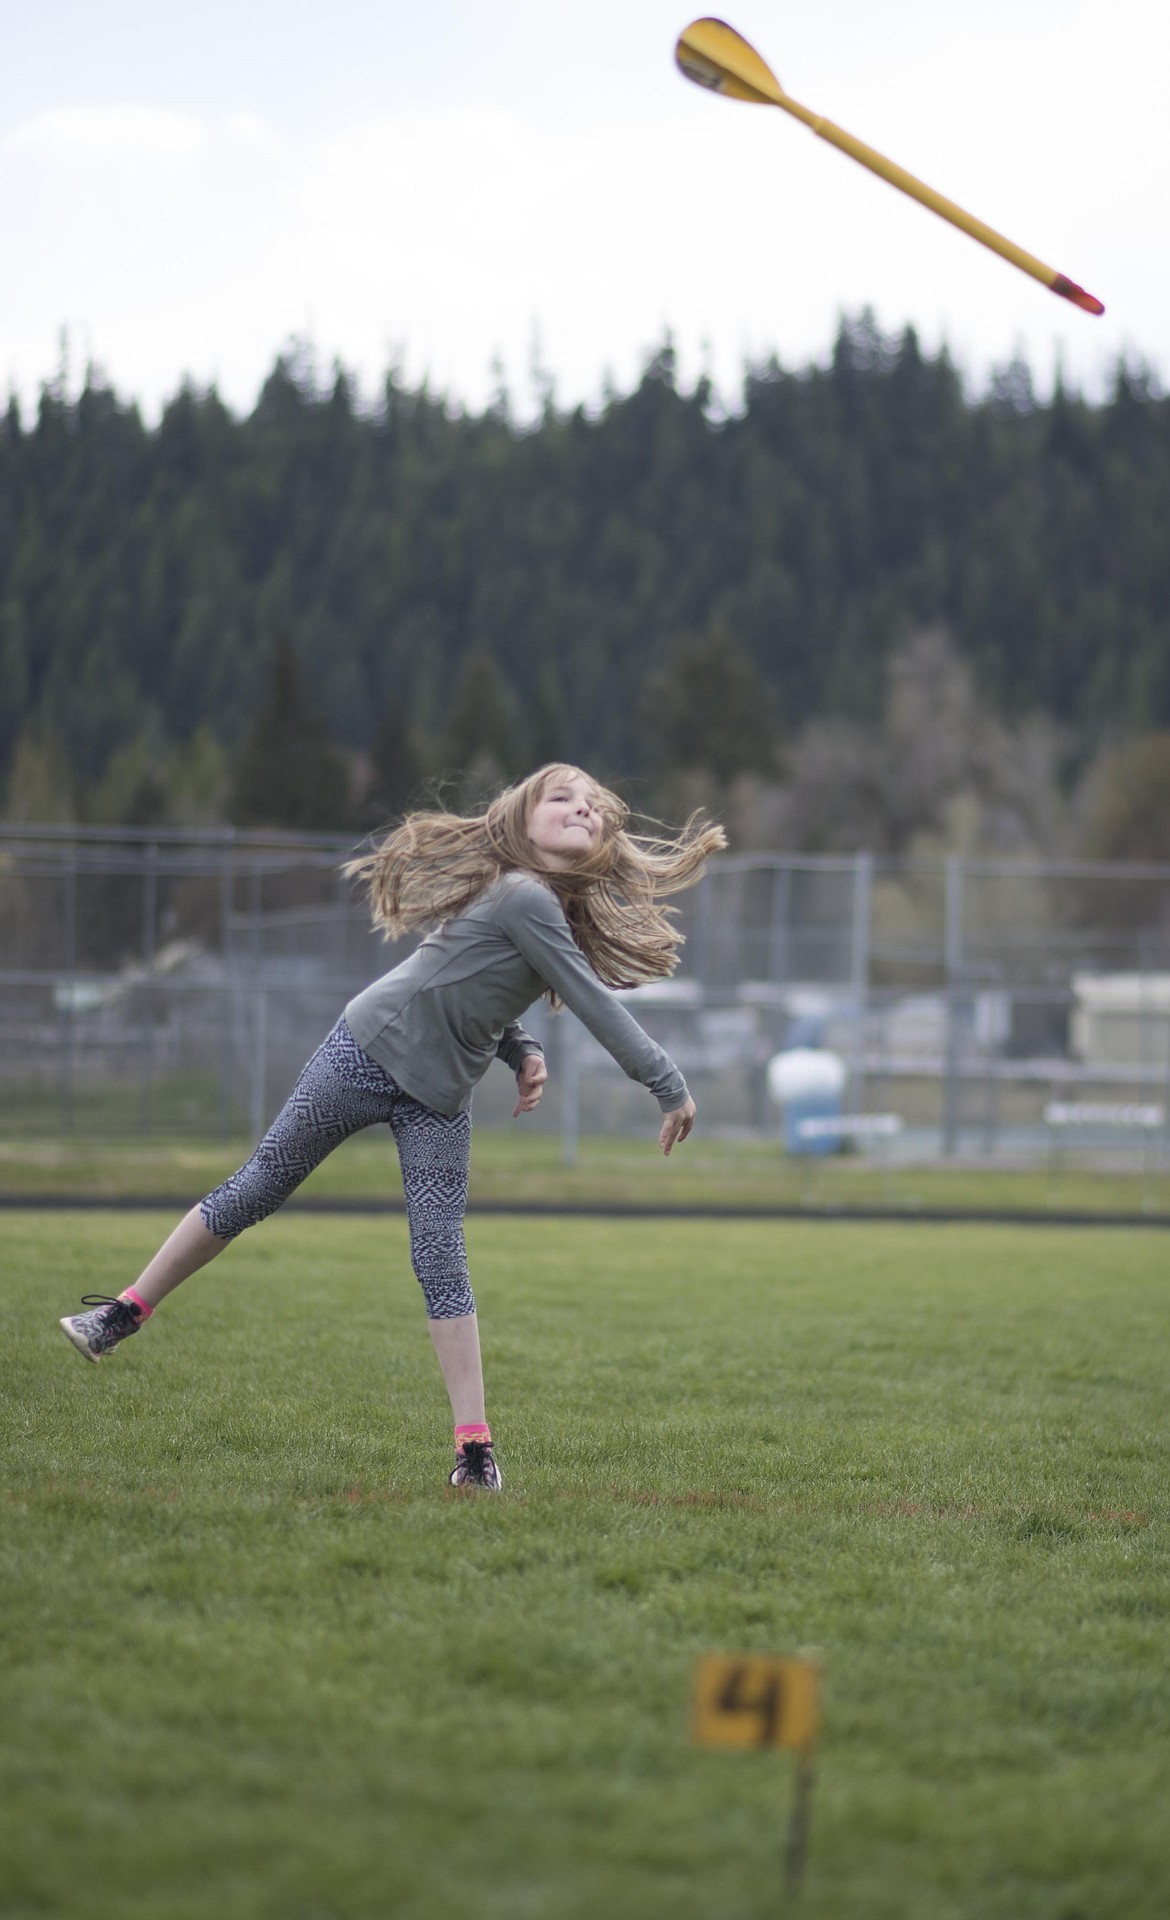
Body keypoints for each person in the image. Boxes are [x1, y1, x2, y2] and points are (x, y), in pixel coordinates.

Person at [59, 764, 726, 1491]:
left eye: (593, 804)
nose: (582, 807)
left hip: (437, 1096)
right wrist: (668, 1084)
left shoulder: (538, 905)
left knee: (440, 1257)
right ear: (520, 820)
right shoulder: (523, 895)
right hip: (364, 1052)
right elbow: (589, 1000)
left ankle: (474, 1452)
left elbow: (471, 981)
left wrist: (522, 1047)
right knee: (256, 1189)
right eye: (561, 797)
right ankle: (120, 1315)